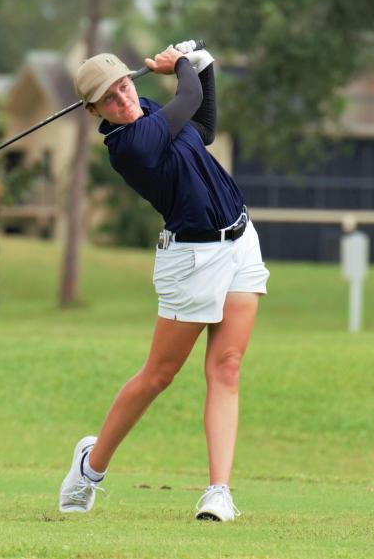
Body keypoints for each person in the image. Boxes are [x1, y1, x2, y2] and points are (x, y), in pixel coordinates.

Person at [58, 42, 269, 522]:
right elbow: (188, 100)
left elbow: (203, 129)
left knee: (227, 366)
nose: (123, 98)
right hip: (191, 260)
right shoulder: (130, 145)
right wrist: (183, 65)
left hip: (240, 241)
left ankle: (219, 492)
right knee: (159, 376)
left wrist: (206, 65)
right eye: (109, 98)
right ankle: (90, 468)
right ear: (94, 111)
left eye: (125, 85)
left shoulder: (151, 111)